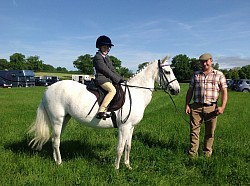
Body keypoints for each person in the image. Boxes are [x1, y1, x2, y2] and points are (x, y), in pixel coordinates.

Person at [185, 53, 228, 158]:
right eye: (202, 62)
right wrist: (187, 104)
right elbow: (190, 91)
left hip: (211, 108)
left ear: (211, 61)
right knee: (194, 132)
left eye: (206, 61)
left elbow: (224, 92)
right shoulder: (196, 75)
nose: (204, 64)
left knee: (209, 133)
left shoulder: (219, 75)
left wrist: (222, 107)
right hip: (196, 107)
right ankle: (192, 155)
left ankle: (207, 155)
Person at [93, 35, 124, 119]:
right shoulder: (97, 57)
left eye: (108, 47)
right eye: (104, 47)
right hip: (101, 79)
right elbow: (106, 70)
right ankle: (101, 111)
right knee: (112, 90)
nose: (106, 49)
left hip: (107, 79)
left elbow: (112, 70)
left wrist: (121, 79)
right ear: (99, 47)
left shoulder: (107, 58)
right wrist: (117, 79)